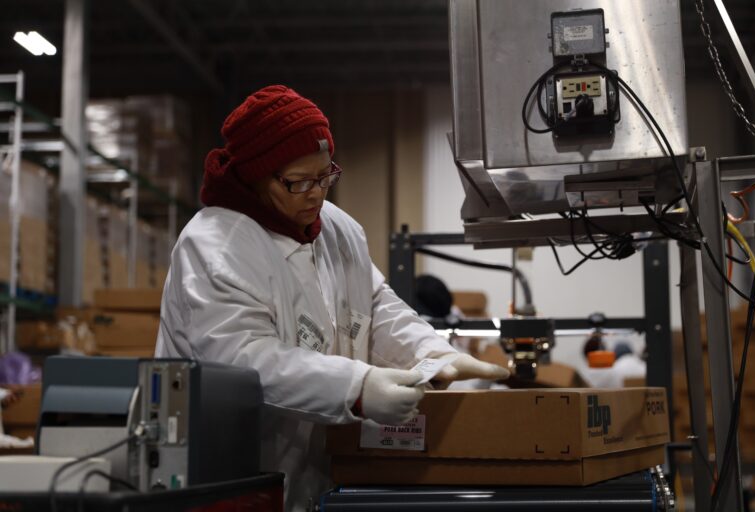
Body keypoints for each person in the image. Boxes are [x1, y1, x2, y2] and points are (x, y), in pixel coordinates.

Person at [155, 85, 510, 511]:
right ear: (255, 176)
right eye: (298, 181)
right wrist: (355, 387)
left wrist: (432, 352)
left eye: (325, 176)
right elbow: (241, 361)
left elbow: (374, 305)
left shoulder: (337, 228)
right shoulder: (216, 244)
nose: (316, 193)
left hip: (314, 475)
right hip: (227, 480)